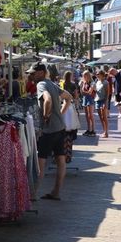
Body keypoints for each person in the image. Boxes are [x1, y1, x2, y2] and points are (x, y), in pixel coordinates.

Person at [28, 62, 72, 200]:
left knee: (41, 162)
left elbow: (47, 100)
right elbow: (68, 97)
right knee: (60, 161)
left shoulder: (41, 84)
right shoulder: (52, 83)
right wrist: (61, 113)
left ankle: (32, 194)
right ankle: (56, 192)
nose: (31, 76)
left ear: (40, 72)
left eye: (33, 73)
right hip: (60, 128)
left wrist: (46, 117)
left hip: (49, 131)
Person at [79, 70, 96, 136]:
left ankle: (93, 130)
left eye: (84, 76)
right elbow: (81, 93)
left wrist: (83, 90)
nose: (83, 77)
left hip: (90, 99)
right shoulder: (84, 82)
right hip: (85, 99)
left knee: (90, 115)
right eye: (83, 76)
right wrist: (81, 86)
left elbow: (89, 92)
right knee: (87, 116)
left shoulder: (92, 83)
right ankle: (89, 129)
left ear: (88, 76)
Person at [94, 70, 111, 138]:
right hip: (97, 100)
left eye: (98, 74)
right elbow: (96, 91)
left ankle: (106, 132)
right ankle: (104, 130)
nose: (97, 75)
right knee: (101, 117)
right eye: (96, 74)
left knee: (104, 117)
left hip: (103, 101)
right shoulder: (97, 82)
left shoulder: (106, 82)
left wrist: (105, 103)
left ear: (102, 75)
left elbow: (107, 93)